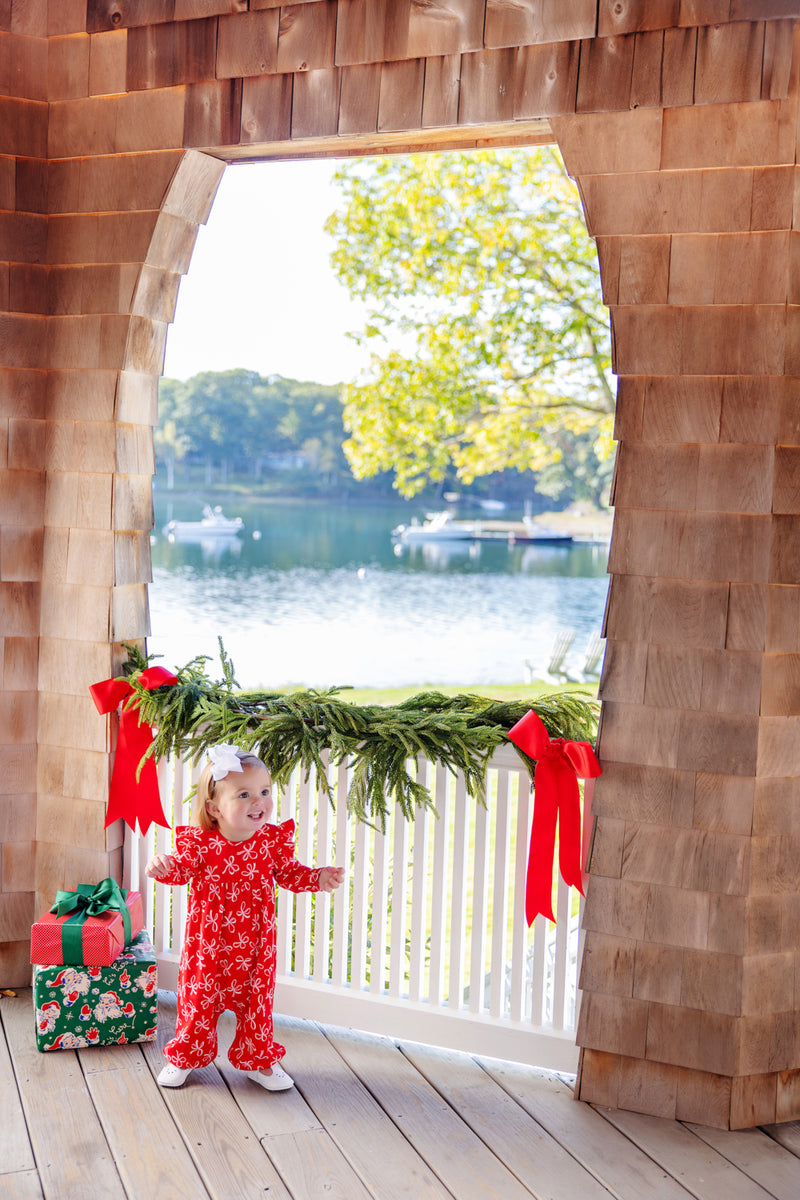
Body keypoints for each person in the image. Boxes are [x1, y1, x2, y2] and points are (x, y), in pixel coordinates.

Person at [146, 742, 344, 1090]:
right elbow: (179, 870)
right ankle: (185, 1056)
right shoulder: (201, 844)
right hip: (207, 947)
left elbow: (289, 873)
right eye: (244, 795)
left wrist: (317, 878)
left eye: (264, 792)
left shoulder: (270, 842)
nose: (259, 802)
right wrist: (161, 865)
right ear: (214, 808)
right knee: (198, 1001)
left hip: (254, 947)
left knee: (257, 1005)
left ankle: (259, 1061)